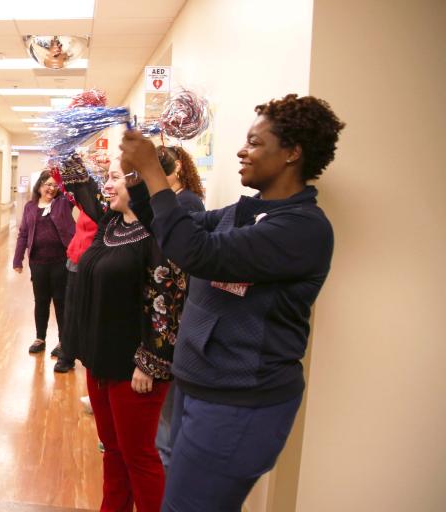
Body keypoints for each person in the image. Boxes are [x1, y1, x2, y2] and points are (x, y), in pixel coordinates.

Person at [119, 94, 345, 511]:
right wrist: (137, 177)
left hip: (237, 403)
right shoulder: (240, 214)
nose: (243, 150)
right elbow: (167, 228)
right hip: (195, 384)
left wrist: (155, 170)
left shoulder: (301, 229)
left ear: (293, 153)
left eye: (256, 142)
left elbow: (196, 253)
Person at [59, 156, 187, 512]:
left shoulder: (161, 231)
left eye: (114, 178)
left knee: (139, 458)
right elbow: (84, 192)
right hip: (100, 360)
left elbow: (168, 301)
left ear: (138, 183)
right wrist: (69, 145)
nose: (107, 185)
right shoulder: (112, 223)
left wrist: (150, 361)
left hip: (136, 370)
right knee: (112, 450)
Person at [152, 146, 206, 471]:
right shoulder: (172, 201)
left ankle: (167, 469)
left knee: (169, 404)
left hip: (175, 305)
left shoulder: (186, 203)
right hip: (167, 303)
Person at [12, 170, 75, 371]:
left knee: (60, 302)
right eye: (47, 184)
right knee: (41, 301)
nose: (51, 188)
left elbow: (70, 191)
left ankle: (63, 343)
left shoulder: (63, 203)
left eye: (54, 185)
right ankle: (40, 338)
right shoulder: (30, 207)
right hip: (38, 263)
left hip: (60, 261)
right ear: (39, 186)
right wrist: (17, 259)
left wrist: (61, 172)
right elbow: (23, 234)